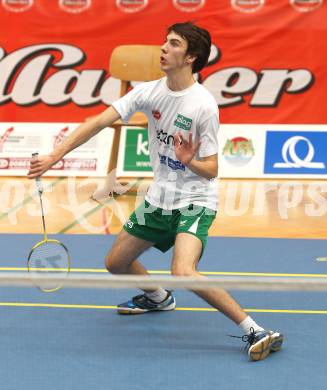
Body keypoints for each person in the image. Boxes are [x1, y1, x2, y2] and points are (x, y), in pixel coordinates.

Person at [28, 21, 283, 361]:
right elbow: (99, 121)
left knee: (183, 271)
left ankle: (255, 330)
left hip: (194, 200)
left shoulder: (202, 106)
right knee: (116, 263)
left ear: (190, 57)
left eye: (173, 44)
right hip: (159, 198)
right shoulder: (149, 91)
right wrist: (54, 156)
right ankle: (159, 298)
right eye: (165, 41)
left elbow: (212, 171)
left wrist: (189, 160)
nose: (163, 48)